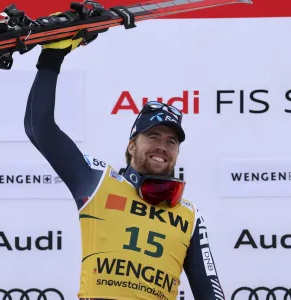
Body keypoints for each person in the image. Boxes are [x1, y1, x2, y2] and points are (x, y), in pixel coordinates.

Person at [24, 29, 225, 300]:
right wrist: (52, 57)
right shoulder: (96, 181)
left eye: (171, 142)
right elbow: (40, 129)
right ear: (132, 145)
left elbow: (210, 292)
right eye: (153, 136)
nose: (162, 147)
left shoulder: (189, 216)